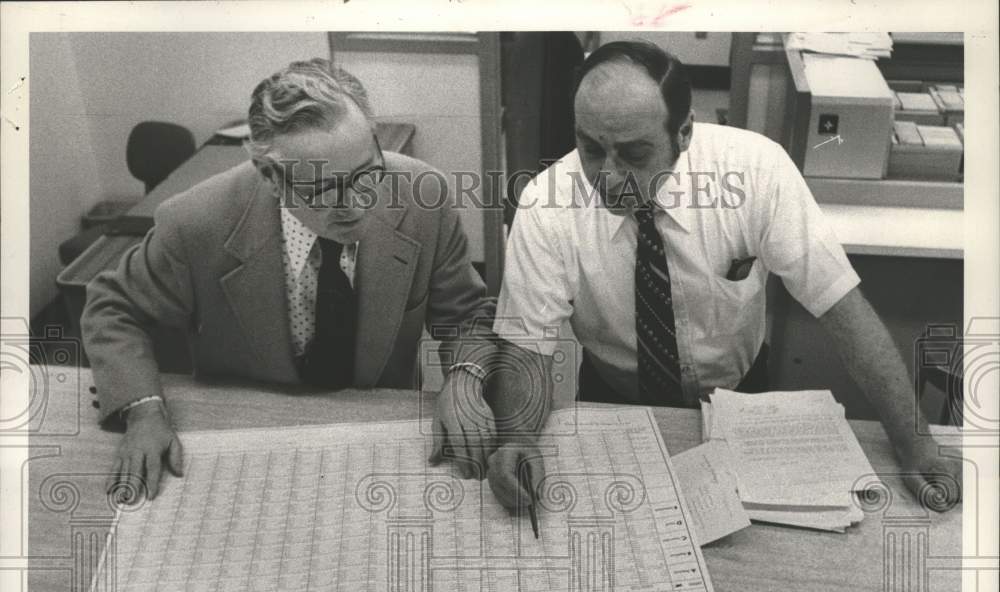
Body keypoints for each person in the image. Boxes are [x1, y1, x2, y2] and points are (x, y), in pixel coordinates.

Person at [485, 40, 961, 514]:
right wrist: (517, 438)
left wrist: (916, 444)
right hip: (616, 398)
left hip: (740, 398)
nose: (608, 175)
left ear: (685, 132)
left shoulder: (755, 171)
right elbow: (526, 347)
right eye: (590, 148)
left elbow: (842, 309)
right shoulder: (546, 205)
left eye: (633, 153)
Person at [83, 59, 497, 500]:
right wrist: (144, 410)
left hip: (377, 432)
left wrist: (464, 378)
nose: (355, 204)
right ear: (270, 177)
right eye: (323, 189)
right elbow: (112, 306)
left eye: (366, 174)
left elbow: (468, 314)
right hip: (248, 439)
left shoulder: (424, 197)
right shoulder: (195, 221)